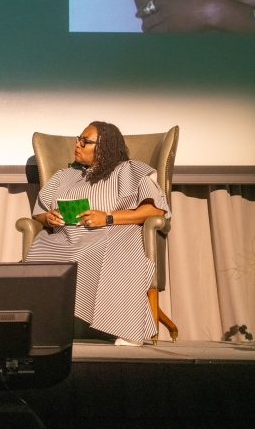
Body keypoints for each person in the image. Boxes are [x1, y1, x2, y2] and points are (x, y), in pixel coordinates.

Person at [26, 122, 171, 346]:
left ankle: (128, 329)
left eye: (85, 141)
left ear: (105, 147)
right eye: (78, 139)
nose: (78, 144)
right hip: (66, 236)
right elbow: (40, 214)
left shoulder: (130, 170)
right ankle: (40, 327)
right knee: (40, 252)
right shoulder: (64, 175)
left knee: (117, 248)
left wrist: (108, 217)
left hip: (111, 232)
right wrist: (49, 217)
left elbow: (154, 210)